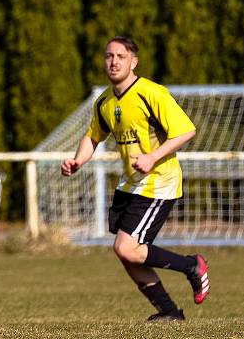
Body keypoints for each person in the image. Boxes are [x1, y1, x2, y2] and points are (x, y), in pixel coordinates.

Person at [61, 37, 210, 321]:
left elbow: (186, 131)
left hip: (159, 182)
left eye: (120, 56)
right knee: (126, 252)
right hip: (131, 184)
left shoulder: (151, 93)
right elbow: (93, 137)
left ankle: (193, 266)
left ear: (133, 61)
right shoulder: (105, 101)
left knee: (126, 247)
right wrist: (78, 160)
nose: (114, 61)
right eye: (108, 56)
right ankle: (169, 312)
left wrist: (153, 156)